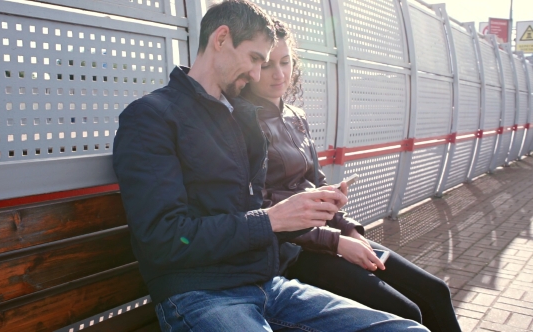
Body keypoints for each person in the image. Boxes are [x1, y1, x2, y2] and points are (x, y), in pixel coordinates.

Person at [113, 0, 429, 330]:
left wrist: (311, 211)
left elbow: (258, 216)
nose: (255, 74)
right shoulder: (151, 117)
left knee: (407, 327)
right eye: (254, 59)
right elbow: (164, 239)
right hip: (199, 292)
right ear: (221, 39)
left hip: (269, 286)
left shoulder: (241, 117)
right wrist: (274, 220)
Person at [239, 19, 461, 332]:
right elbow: (258, 206)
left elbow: (315, 185)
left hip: (329, 237)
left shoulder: (295, 116)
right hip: (292, 251)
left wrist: (351, 231)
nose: (279, 74)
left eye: (286, 62)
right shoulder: (242, 123)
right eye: (266, 64)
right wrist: (338, 243)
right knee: (405, 310)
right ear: (249, 69)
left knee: (435, 291)